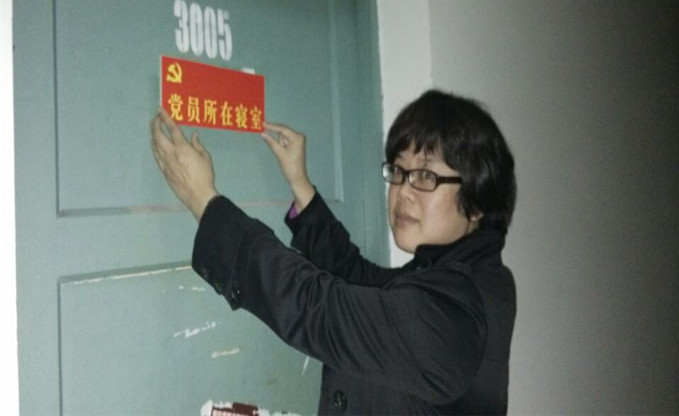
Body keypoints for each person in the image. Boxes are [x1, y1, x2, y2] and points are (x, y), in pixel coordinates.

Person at [151, 90, 517, 415]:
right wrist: (301, 186)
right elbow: (363, 281)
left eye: (425, 176)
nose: (403, 191)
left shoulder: (455, 312)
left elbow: (322, 310)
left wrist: (205, 203)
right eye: (399, 170)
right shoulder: (467, 276)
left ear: (477, 202)